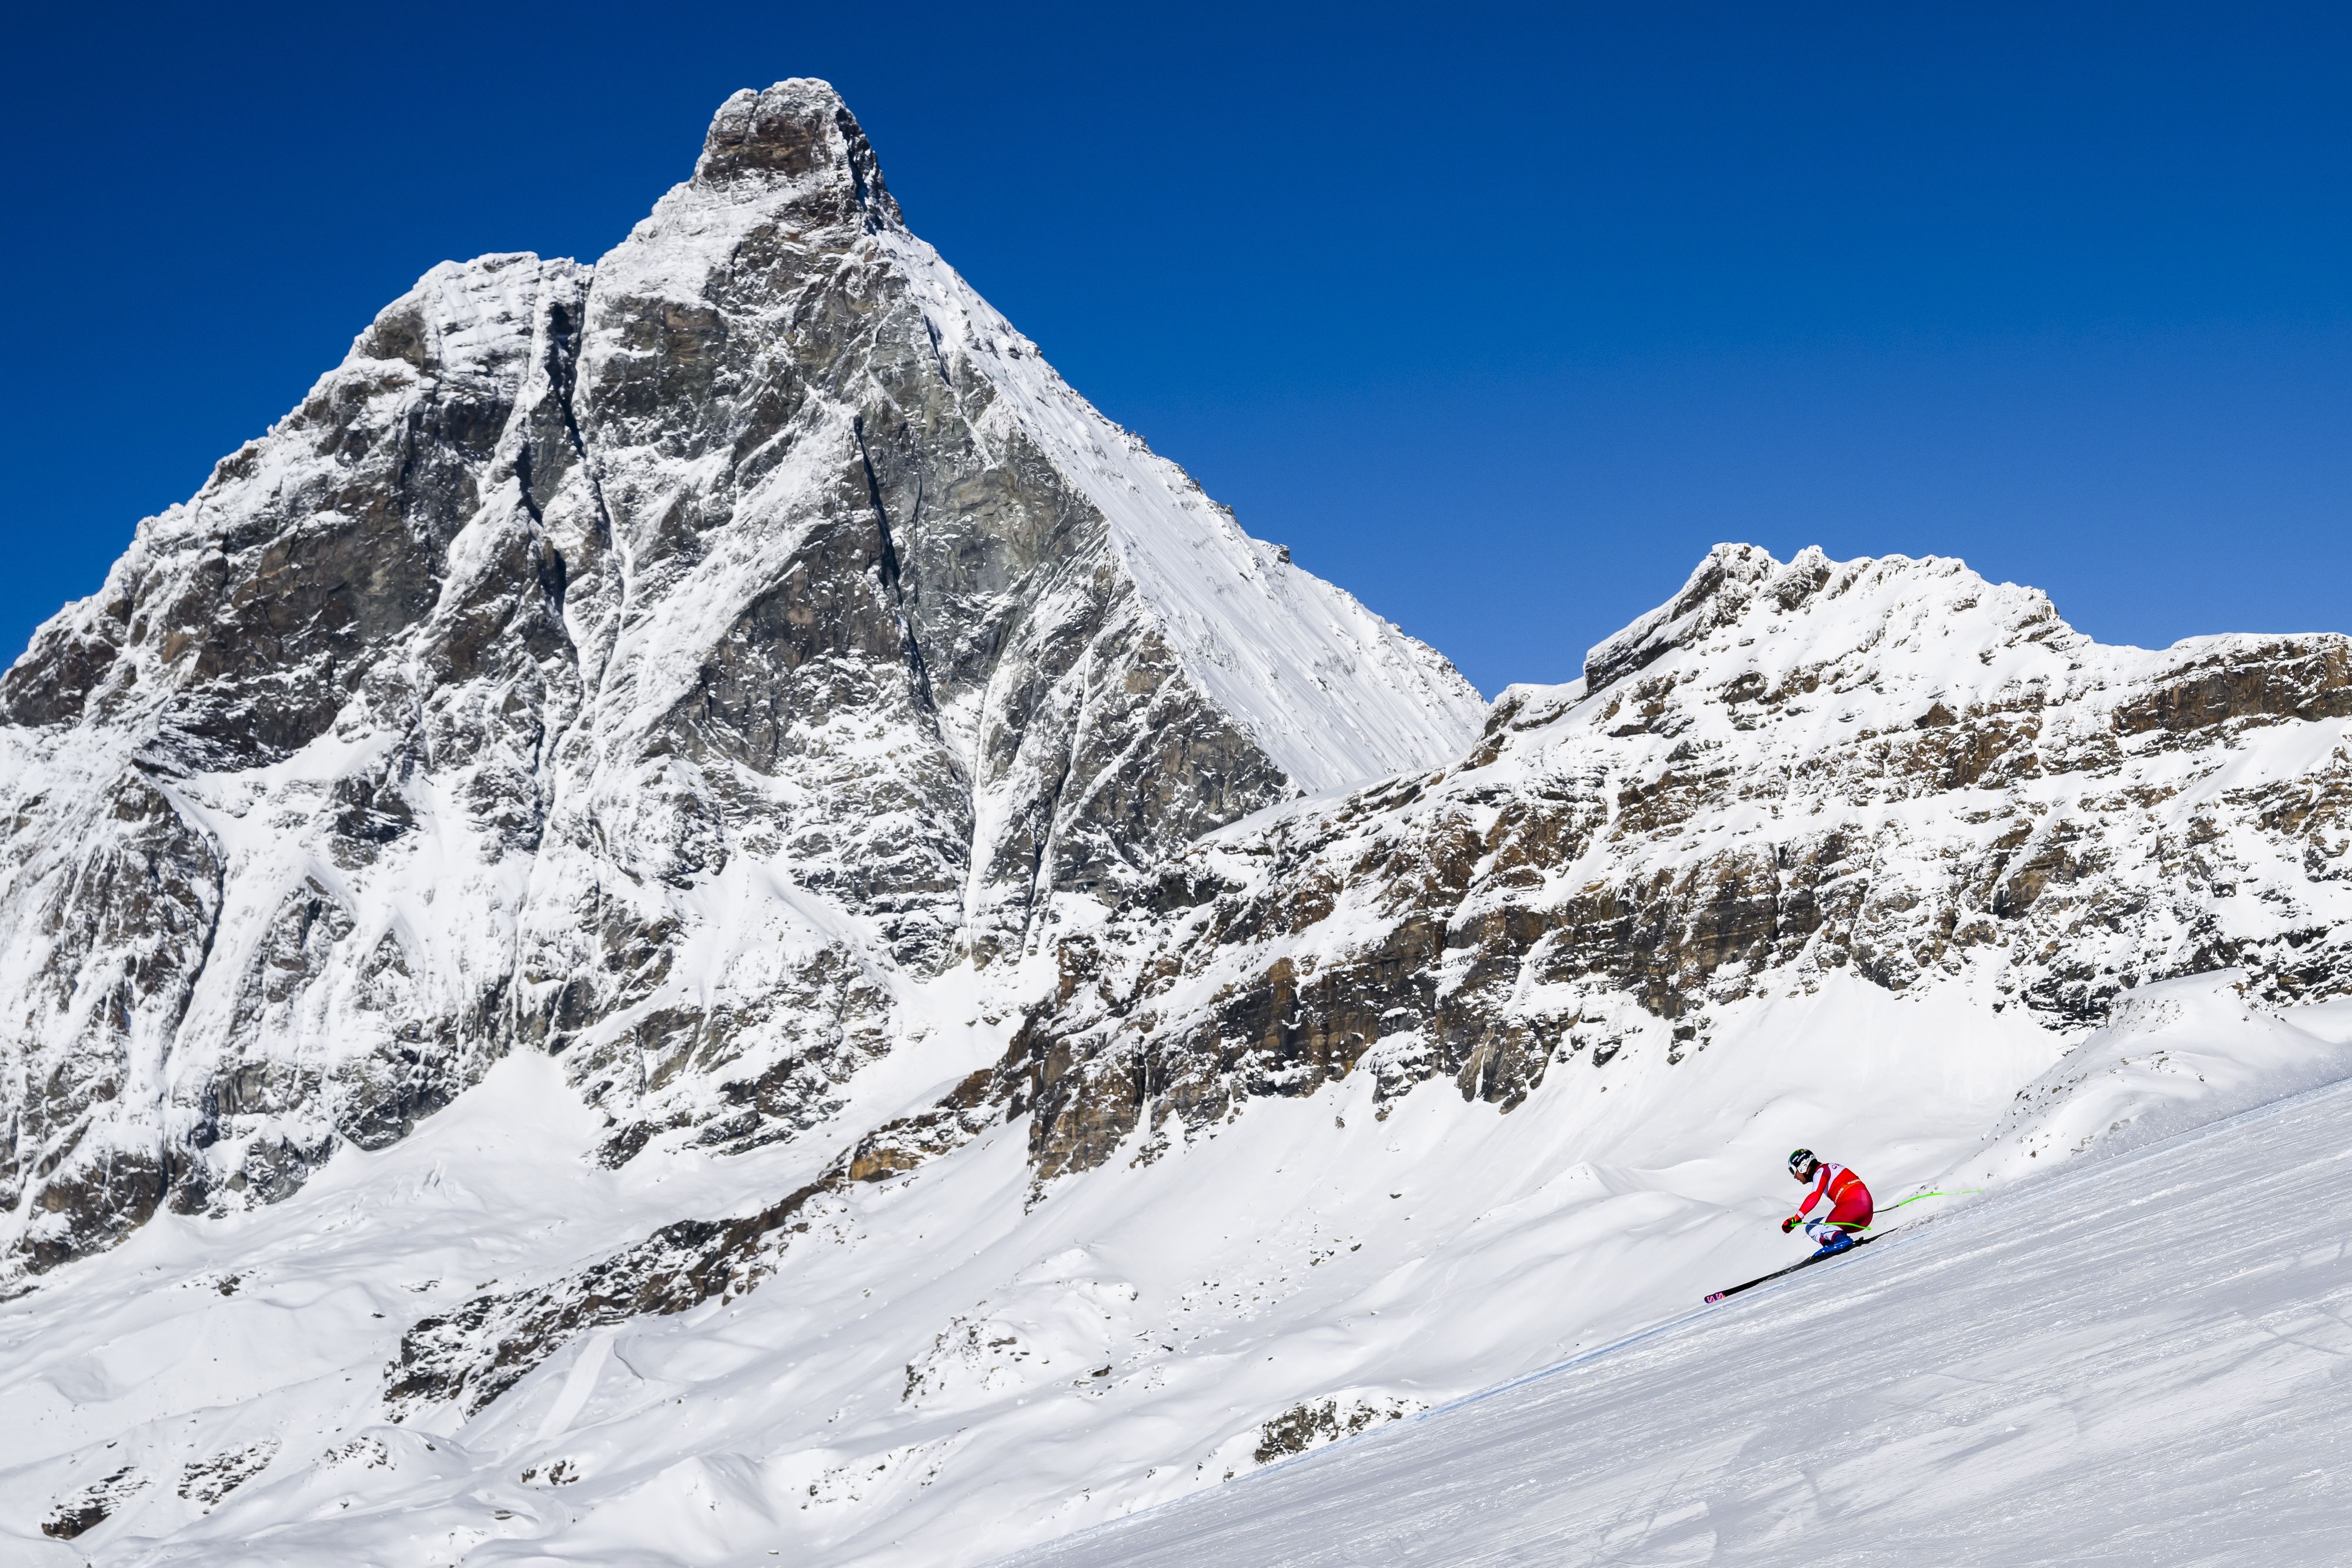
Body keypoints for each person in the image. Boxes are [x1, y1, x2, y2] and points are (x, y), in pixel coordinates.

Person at [1782, 1149, 1872, 1255]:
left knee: (1828, 1227)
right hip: (1862, 1210)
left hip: (1855, 1205)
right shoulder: (1826, 1169)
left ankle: (1841, 1241)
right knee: (1812, 1228)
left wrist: (1796, 1218)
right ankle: (1832, 1243)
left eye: (1793, 1171)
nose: (1795, 1176)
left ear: (1803, 1166)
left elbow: (1815, 1196)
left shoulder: (1821, 1171)